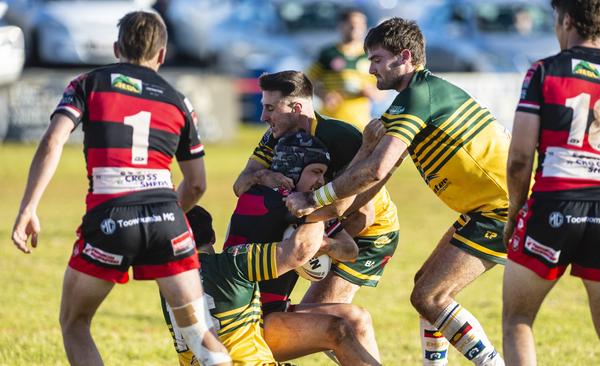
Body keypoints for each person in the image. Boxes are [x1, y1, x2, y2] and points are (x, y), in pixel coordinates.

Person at [285, 18, 511, 366]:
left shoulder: (418, 95)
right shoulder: (412, 100)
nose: (370, 69)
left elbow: (375, 169)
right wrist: (332, 221)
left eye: (375, 59)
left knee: (430, 297)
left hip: (503, 207)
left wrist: (315, 201)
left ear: (404, 57)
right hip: (485, 207)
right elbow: (380, 175)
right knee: (429, 291)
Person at [9, 11, 230, 366]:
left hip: (110, 218)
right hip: (168, 220)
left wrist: (28, 208)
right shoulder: (178, 101)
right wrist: (167, 214)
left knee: (75, 323)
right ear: (162, 54)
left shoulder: (89, 83)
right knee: (198, 332)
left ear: (116, 48)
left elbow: (53, 140)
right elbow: (198, 183)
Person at [501, 0, 600, 364]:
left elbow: (520, 157)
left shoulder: (545, 72)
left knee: (518, 320)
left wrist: (515, 213)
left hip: (552, 208)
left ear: (566, 19)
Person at [163, 132, 381, 365]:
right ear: (295, 169)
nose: (321, 180)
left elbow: (350, 251)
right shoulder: (273, 203)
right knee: (337, 330)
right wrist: (367, 154)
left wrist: (326, 244)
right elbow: (306, 242)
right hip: (257, 321)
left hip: (271, 313)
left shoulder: (171, 283)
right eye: (316, 172)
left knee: (357, 318)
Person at [234, 70, 400, 305]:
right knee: (275, 310)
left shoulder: (341, 138)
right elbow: (241, 185)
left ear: (297, 109)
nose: (262, 116)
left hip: (369, 234)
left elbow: (363, 214)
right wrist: (264, 175)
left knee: (319, 315)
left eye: (271, 108)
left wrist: (320, 244)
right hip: (325, 223)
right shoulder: (274, 137)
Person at [307, 8, 380, 130]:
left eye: (361, 24)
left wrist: (373, 93)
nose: (356, 28)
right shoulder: (328, 53)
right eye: (352, 24)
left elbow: (382, 89)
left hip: (360, 123)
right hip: (330, 121)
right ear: (341, 26)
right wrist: (323, 95)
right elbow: (308, 80)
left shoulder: (370, 55)